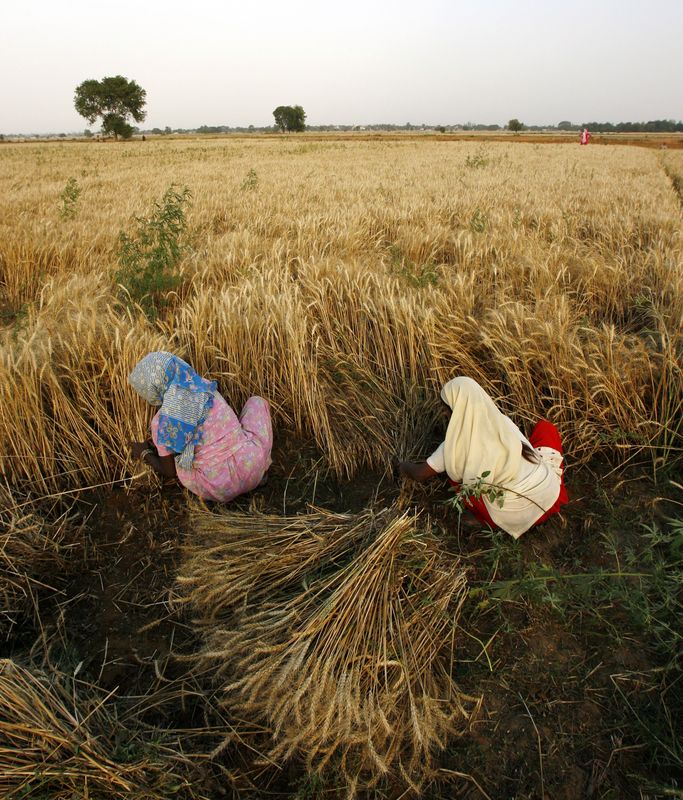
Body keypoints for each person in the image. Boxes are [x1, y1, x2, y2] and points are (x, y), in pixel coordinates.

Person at [398, 377, 568, 538]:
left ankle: (482, 519)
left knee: (456, 478)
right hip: (548, 494)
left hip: (516, 515)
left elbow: (419, 474)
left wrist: (401, 465)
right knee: (545, 429)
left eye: (445, 408)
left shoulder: (453, 446)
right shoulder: (502, 421)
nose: (444, 413)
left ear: (455, 410)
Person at [128, 351, 272, 502]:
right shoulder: (204, 386)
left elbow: (169, 472)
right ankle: (261, 474)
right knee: (257, 402)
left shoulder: (161, 424)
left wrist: (144, 452)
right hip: (251, 467)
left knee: (180, 463)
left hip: (218, 487)